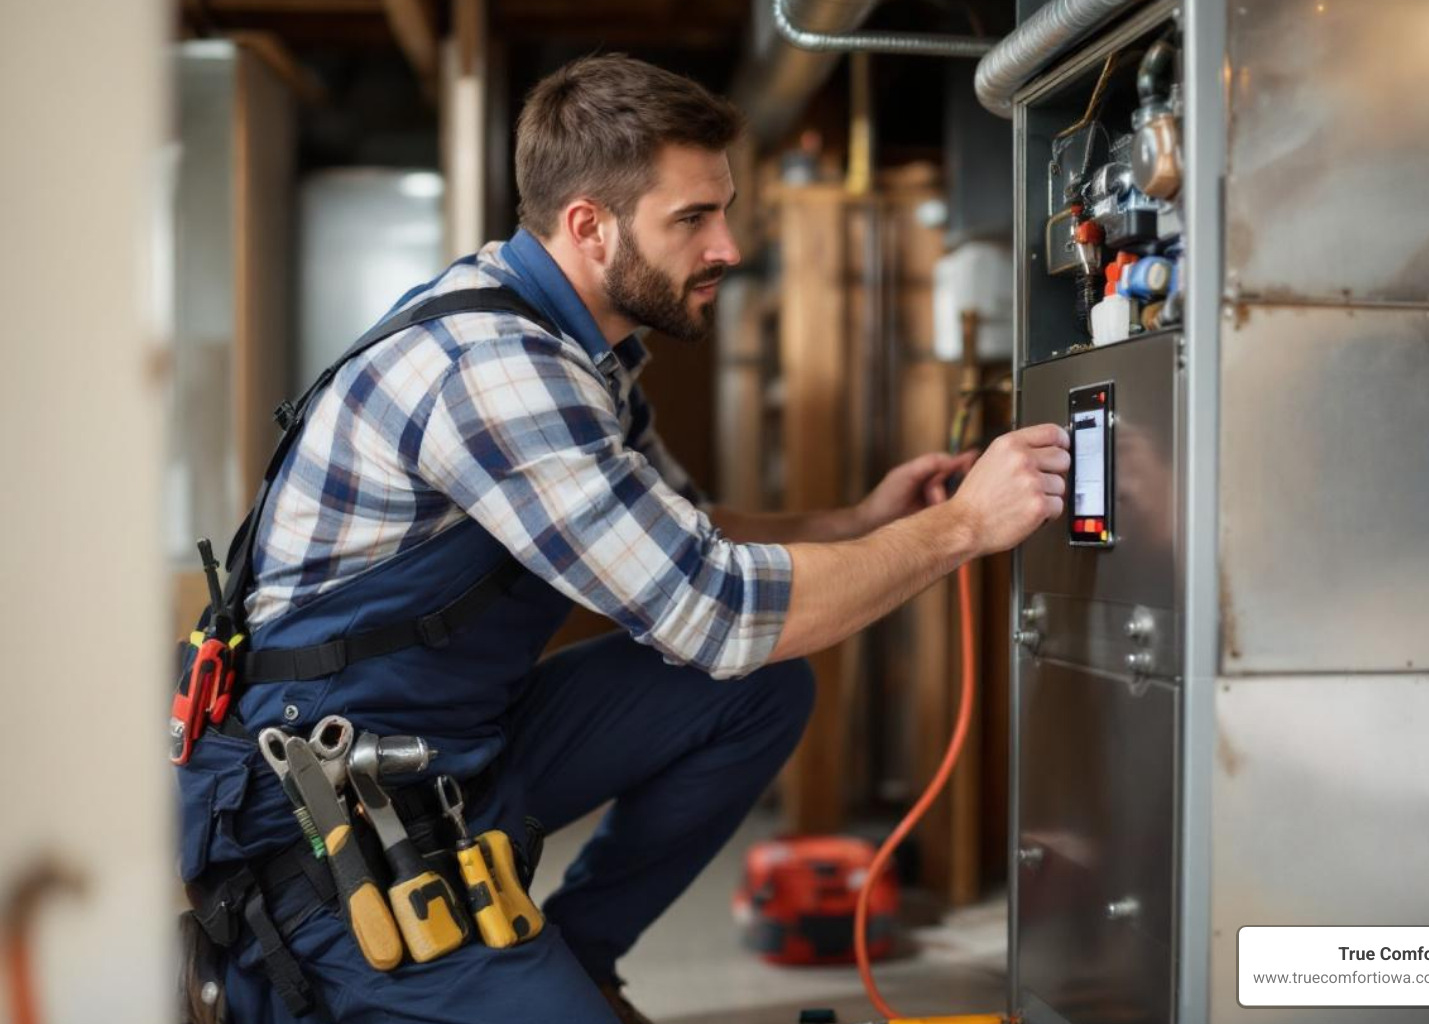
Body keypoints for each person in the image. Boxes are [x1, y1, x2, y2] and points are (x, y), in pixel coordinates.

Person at [176, 54, 1070, 1024]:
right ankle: (290, 986)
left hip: (453, 752)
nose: (728, 245)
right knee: (745, 655)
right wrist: (964, 526)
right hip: (323, 822)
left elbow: (674, 533)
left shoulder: (574, 346)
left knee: (762, 690)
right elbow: (716, 615)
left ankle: (580, 955)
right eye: (693, 218)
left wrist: (858, 522)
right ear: (589, 227)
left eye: (723, 209)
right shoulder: (499, 372)